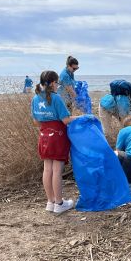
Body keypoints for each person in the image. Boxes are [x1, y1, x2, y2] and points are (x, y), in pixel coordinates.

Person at [30, 70, 78, 215]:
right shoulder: (56, 98)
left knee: (47, 169)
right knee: (57, 171)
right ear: (52, 83)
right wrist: (79, 118)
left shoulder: (35, 98)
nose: (57, 85)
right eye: (57, 83)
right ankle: (59, 203)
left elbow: (36, 122)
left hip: (44, 136)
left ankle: (50, 202)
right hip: (57, 136)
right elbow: (66, 120)